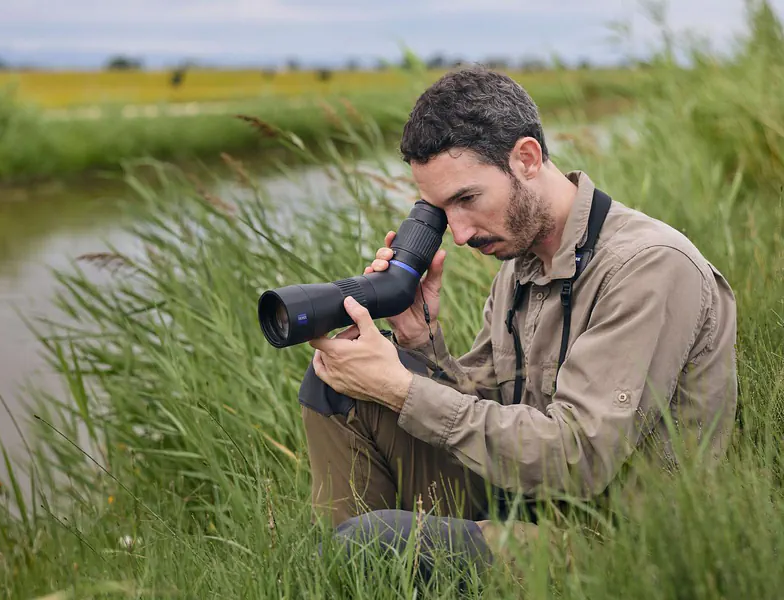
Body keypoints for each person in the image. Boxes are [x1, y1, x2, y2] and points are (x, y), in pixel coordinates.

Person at [298, 65, 739, 575]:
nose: (459, 235)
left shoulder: (649, 266)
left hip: (615, 544)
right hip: (526, 501)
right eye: (441, 211)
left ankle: (355, 564)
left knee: (371, 543)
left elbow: (580, 458)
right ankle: (346, 574)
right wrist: (419, 341)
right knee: (336, 381)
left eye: (467, 199)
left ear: (526, 158)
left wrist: (402, 389)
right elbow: (488, 404)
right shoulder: (521, 264)